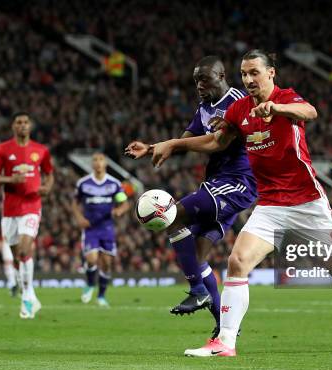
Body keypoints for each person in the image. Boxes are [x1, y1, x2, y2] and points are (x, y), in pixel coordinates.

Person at [150, 49, 332, 356]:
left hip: (307, 204)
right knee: (238, 261)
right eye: (244, 74)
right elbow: (216, 142)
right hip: (270, 205)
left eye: (254, 73)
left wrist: (278, 108)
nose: (248, 80)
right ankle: (225, 342)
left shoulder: (288, 98)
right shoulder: (239, 110)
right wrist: (174, 143)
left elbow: (310, 112)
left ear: (271, 73)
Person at [125, 56, 256, 338]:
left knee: (171, 216)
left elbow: (215, 142)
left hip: (237, 182)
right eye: (196, 80)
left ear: (221, 76)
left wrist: (171, 144)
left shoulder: (238, 101)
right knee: (196, 256)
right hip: (218, 184)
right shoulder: (205, 107)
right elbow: (186, 139)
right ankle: (225, 326)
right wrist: (152, 148)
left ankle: (197, 290)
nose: (199, 85)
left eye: (204, 79)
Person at [0, 112, 54, 319]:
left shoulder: (41, 150)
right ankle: (31, 293)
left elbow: (49, 174)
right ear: (13, 126)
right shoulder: (2, 150)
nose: (23, 125)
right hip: (10, 209)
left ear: (30, 126)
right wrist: (10, 179)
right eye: (19, 122)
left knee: (25, 250)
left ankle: (26, 297)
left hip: (32, 204)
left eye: (26, 122)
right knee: (17, 258)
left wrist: (47, 188)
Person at [72, 152, 130, 307]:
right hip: (90, 228)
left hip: (107, 228)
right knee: (91, 259)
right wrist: (79, 218)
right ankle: (90, 284)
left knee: (106, 263)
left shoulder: (113, 184)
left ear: (105, 164)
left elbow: (124, 203)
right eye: (95, 160)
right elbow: (75, 203)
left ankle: (101, 296)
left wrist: (119, 211)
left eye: (101, 160)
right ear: (92, 164)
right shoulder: (83, 183)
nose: (98, 163)